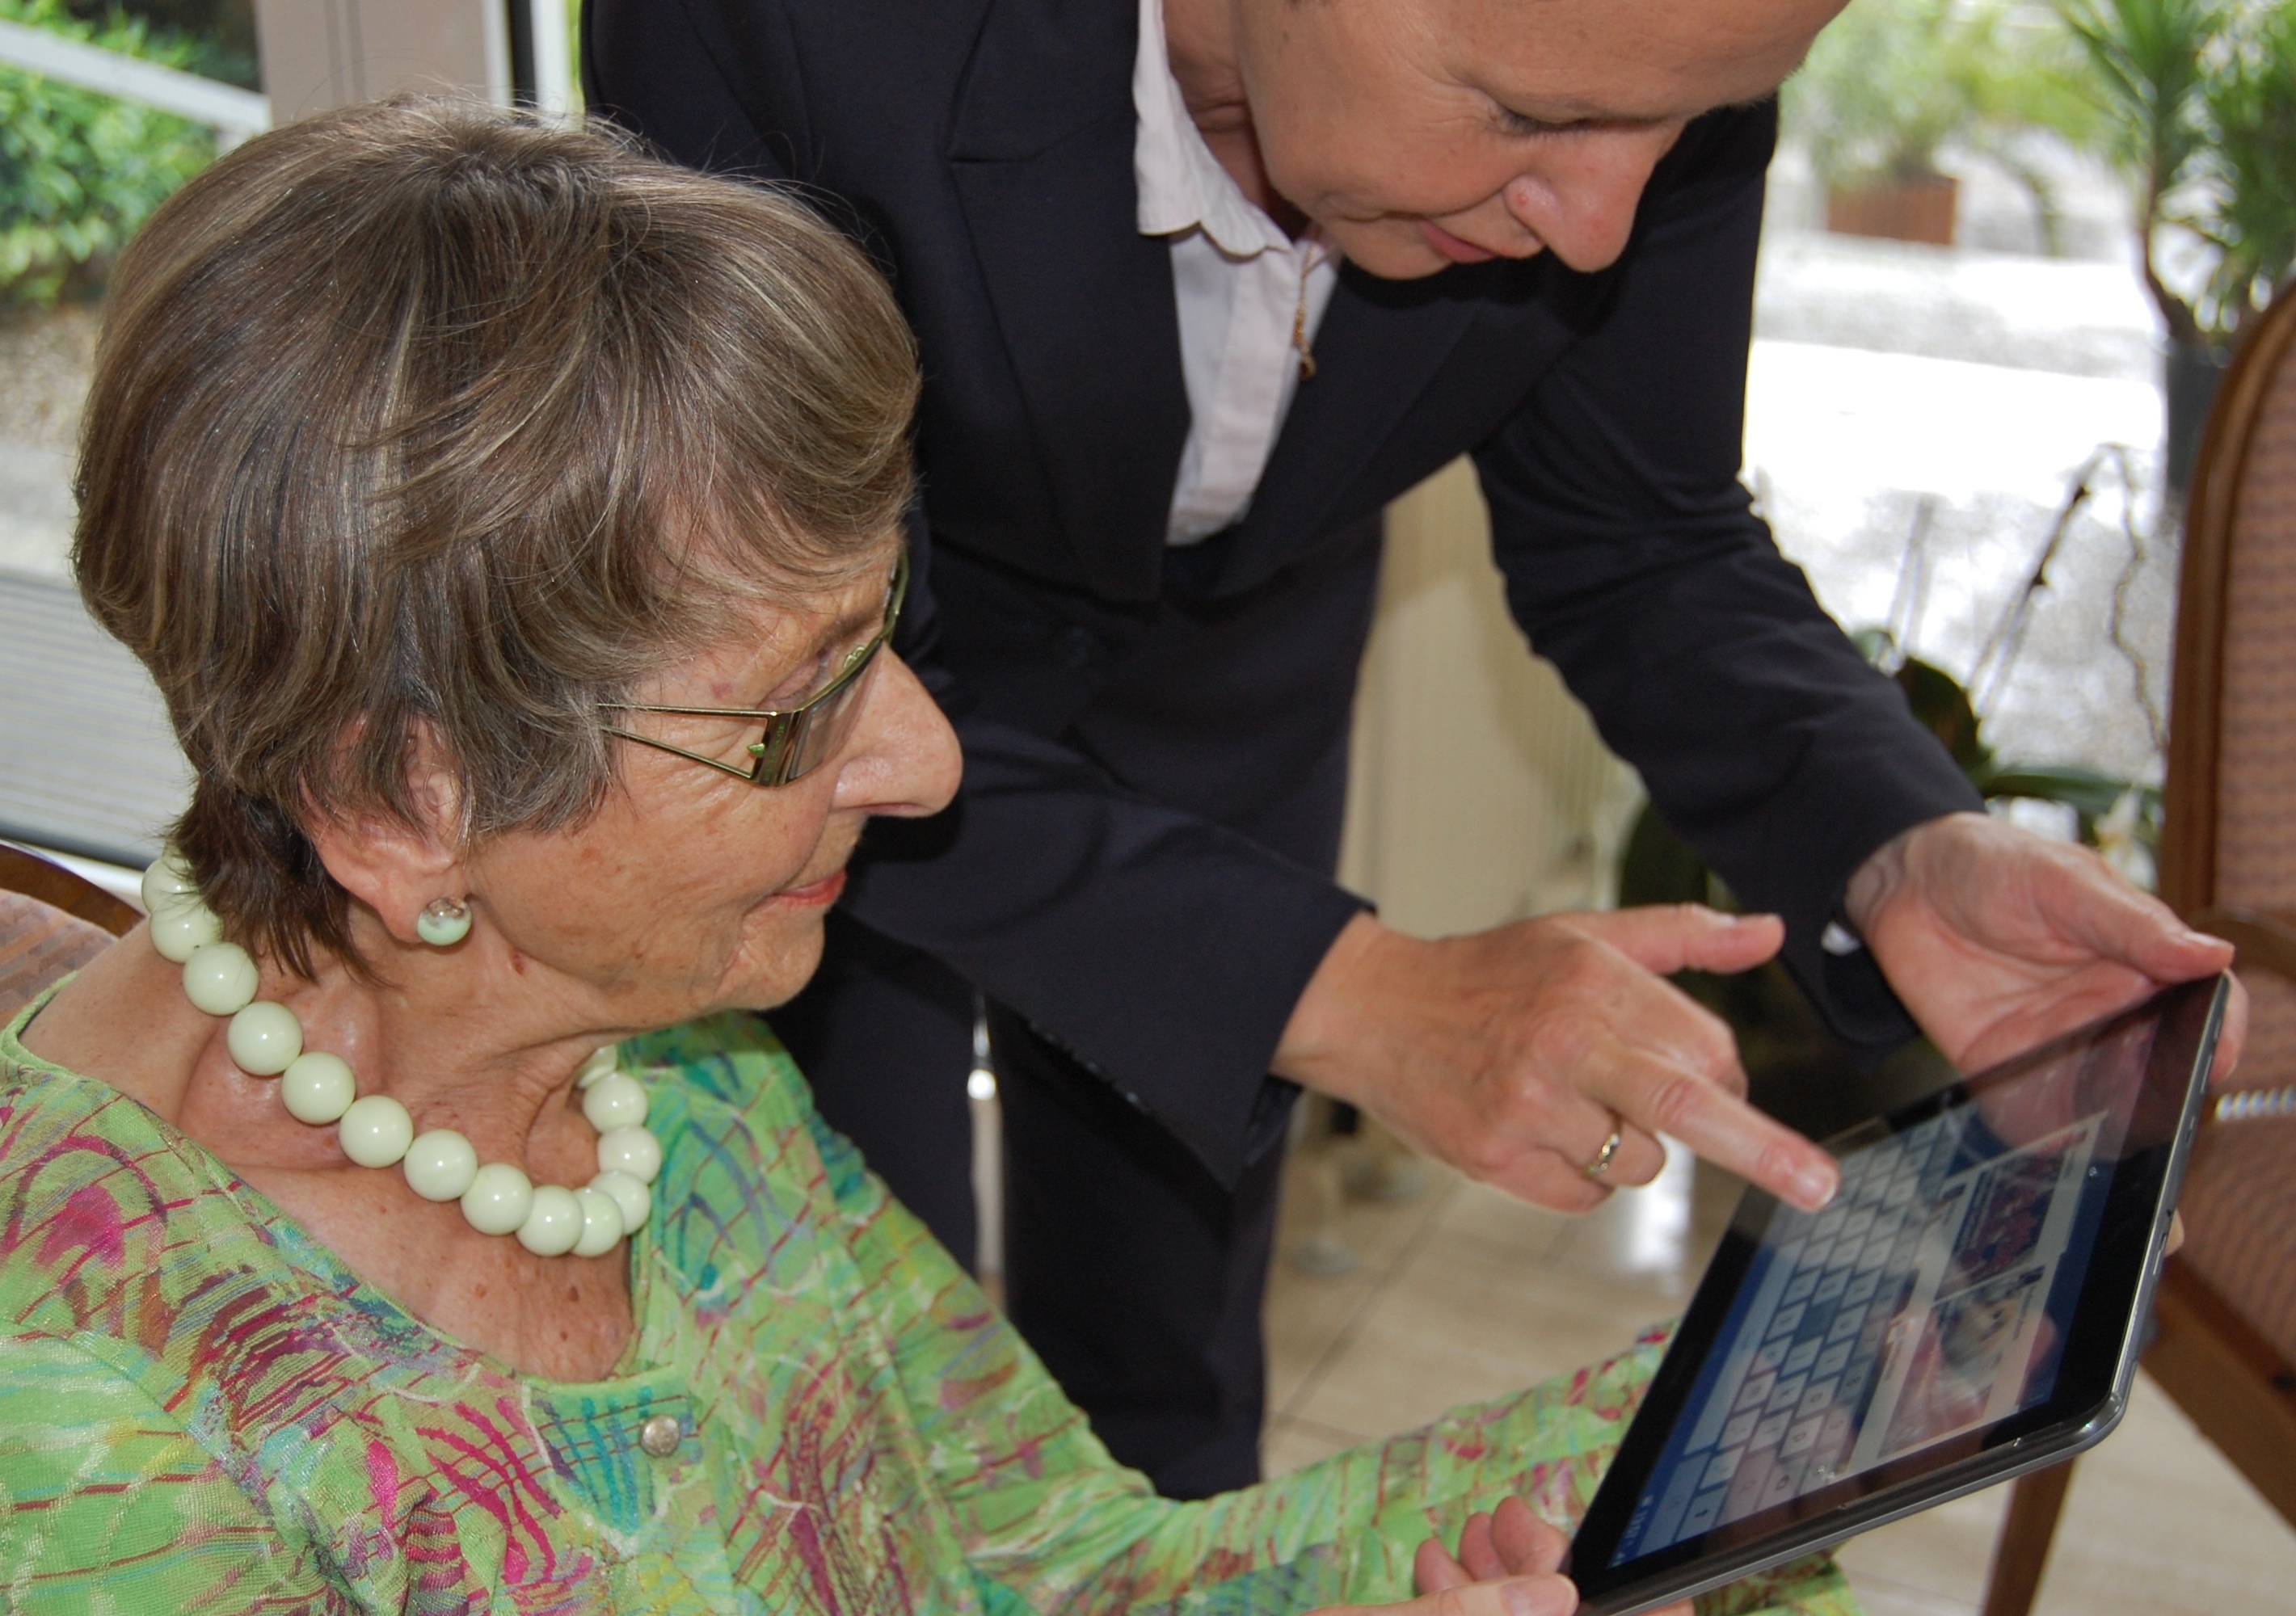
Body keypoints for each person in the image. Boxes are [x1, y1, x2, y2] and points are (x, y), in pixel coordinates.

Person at [0, 99, 1847, 1615]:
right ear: (403, 801)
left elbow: (1072, 1574)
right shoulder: (88, 1443)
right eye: (791, 710)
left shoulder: (683, 1090)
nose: (928, 756)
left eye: (882, 634)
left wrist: (1723, 1425)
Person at [583, 0, 2249, 1498]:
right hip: (809, 727)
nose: (1600, 228)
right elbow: (776, 647)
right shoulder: (784, 26)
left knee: (1164, 1383)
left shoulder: (1646, 60)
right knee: (841, 1378)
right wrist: (1362, 993)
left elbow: (1637, 530)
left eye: (1679, 132)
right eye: (1524, 119)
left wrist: (1893, 842)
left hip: (1231, 722)